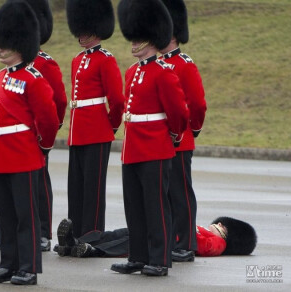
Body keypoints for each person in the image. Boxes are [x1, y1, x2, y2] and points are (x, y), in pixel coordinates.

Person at [0, 0, 58, 285]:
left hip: (24, 153)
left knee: (26, 216)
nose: (0, 49)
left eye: (7, 44)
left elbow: (48, 120)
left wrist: (42, 147)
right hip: (0, 153)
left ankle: (28, 266)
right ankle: (8, 264)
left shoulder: (33, 78)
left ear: (21, 44)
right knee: (5, 215)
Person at [112, 0, 189, 277]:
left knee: (156, 206)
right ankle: (138, 255)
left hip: (155, 147)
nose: (133, 44)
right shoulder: (132, 71)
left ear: (154, 39)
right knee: (134, 205)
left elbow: (179, 113)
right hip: (132, 146)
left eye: (140, 39)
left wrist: (172, 136)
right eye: (133, 38)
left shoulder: (164, 72)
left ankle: (159, 258)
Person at [0, 0, 67, 252]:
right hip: (6, 147)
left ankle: (42, 231)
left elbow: (56, 103)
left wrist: (43, 140)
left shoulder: (42, 67)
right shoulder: (2, 76)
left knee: (35, 192)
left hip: (28, 143)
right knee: (9, 207)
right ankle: (12, 256)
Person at [64, 0, 124, 245]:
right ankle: (75, 230)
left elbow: (117, 100)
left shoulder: (106, 59)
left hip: (98, 130)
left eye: (86, 30)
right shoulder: (77, 60)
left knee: (93, 187)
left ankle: (92, 233)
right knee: (76, 185)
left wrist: (110, 126)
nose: (81, 35)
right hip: (78, 130)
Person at [159, 0, 207, 262]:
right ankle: (171, 239)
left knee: (180, 192)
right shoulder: (157, 65)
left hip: (181, 138)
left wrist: (194, 130)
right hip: (159, 139)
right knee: (165, 193)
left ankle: (186, 242)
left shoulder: (184, 64)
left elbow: (198, 103)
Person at [54, 217, 257, 258]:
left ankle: (92, 251)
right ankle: (75, 243)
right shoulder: (206, 230)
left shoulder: (219, 243)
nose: (218, 225)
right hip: (158, 228)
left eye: (223, 227)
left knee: (126, 243)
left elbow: (204, 246)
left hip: (166, 240)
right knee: (116, 234)